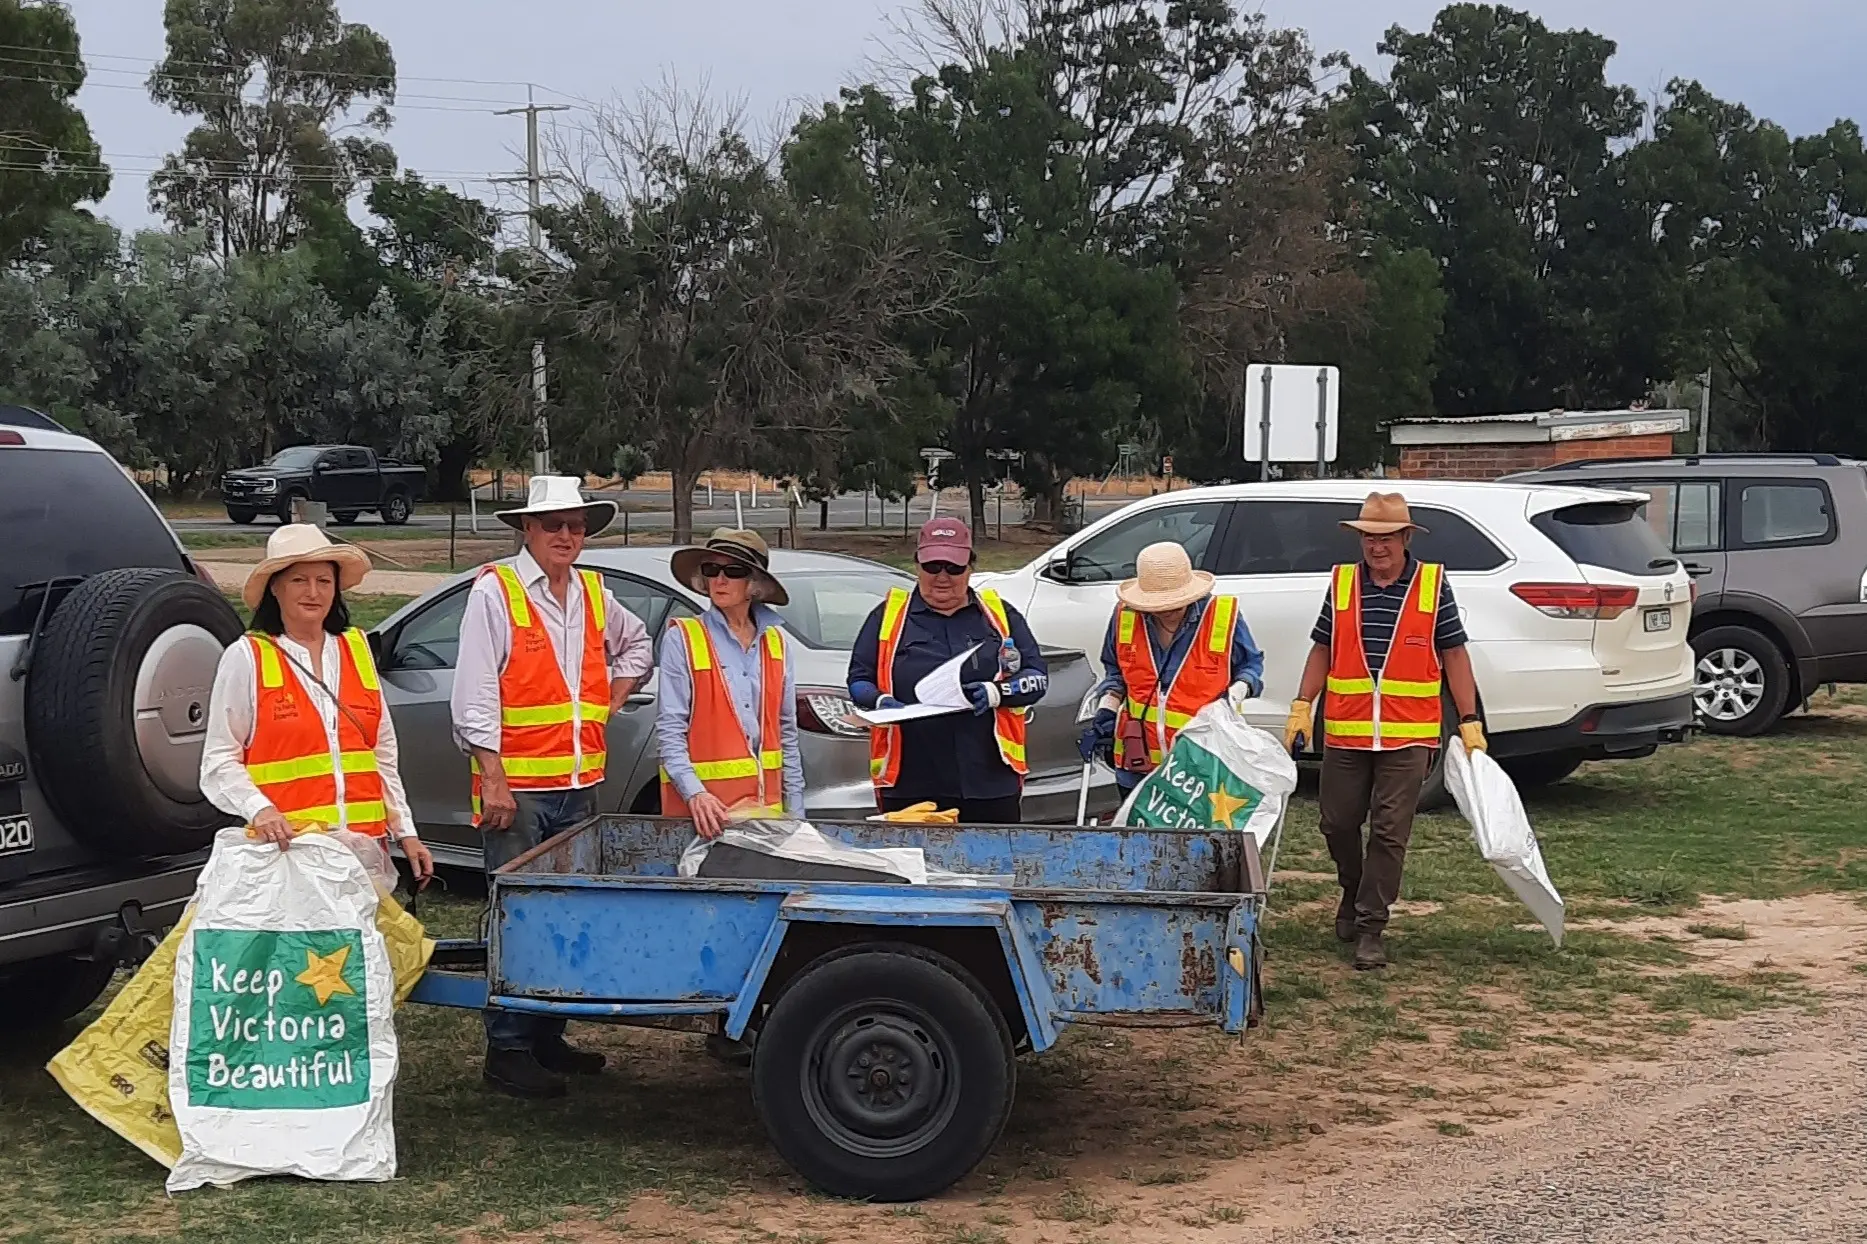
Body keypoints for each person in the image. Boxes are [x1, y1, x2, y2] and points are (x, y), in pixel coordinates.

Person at [450, 475, 654, 1099]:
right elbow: (475, 695)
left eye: (576, 526)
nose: (566, 536)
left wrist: (608, 703)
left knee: (566, 911)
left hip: (577, 782)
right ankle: (506, 1049)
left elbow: (637, 646)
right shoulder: (497, 593)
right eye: (553, 525)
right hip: (520, 790)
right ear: (527, 531)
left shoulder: (594, 592)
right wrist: (493, 779)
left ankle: (546, 1036)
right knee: (517, 914)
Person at [1283, 492, 1484, 972]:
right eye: (1369, 538)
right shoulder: (1343, 583)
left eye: (1386, 538)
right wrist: (1301, 704)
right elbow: (1323, 647)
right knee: (1336, 823)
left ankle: (1371, 925)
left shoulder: (1433, 586)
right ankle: (1352, 890)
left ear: (1406, 538)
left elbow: (1454, 654)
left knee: (1391, 832)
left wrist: (1470, 719)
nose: (1377, 547)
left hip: (1408, 735)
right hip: (1347, 733)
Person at [200, 524, 433, 887]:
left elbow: (381, 752)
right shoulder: (247, 657)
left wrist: (406, 830)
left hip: (365, 853)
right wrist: (259, 810)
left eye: (324, 581)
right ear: (275, 587)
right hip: (289, 856)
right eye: (299, 580)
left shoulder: (356, 650)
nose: (313, 592)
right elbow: (218, 760)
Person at [847, 517, 1048, 823]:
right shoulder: (888, 616)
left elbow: (1037, 678)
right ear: (917, 565)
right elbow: (859, 679)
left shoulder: (999, 615)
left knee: (992, 867)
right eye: (932, 566)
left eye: (954, 568)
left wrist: (997, 693)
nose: (943, 577)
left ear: (971, 567)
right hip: (910, 781)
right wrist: (881, 703)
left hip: (989, 781)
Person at [1080, 541, 1265, 794]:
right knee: (1137, 832)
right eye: (1158, 605)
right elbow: (1116, 673)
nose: (1167, 611)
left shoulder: (1221, 616)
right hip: (1138, 762)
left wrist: (1235, 694)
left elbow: (1250, 665)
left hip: (1201, 761)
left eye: (1176, 603)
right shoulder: (1125, 617)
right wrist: (1106, 712)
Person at [657, 529, 805, 840]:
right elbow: (670, 730)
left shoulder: (776, 644)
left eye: (733, 571)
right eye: (712, 570)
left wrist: (798, 813)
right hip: (704, 818)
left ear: (755, 585)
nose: (720, 580)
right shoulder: (682, 637)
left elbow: (786, 733)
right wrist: (695, 794)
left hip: (767, 818)